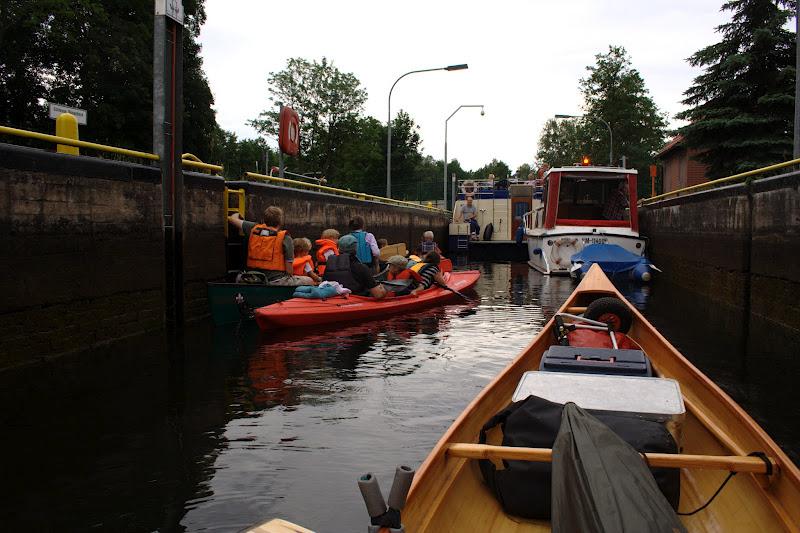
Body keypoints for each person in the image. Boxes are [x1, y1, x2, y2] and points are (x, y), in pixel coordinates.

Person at [227, 206, 314, 286]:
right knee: (309, 280)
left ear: (264, 219)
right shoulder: (285, 238)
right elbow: (289, 271)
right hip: (275, 281)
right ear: (280, 221)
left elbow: (232, 219)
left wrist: (238, 214)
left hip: (253, 278)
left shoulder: (253, 228)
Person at [323, 234, 387, 299]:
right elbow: (378, 295)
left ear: (338, 249)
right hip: (357, 302)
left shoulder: (330, 264)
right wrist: (382, 289)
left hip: (333, 302)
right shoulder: (361, 267)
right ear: (355, 249)